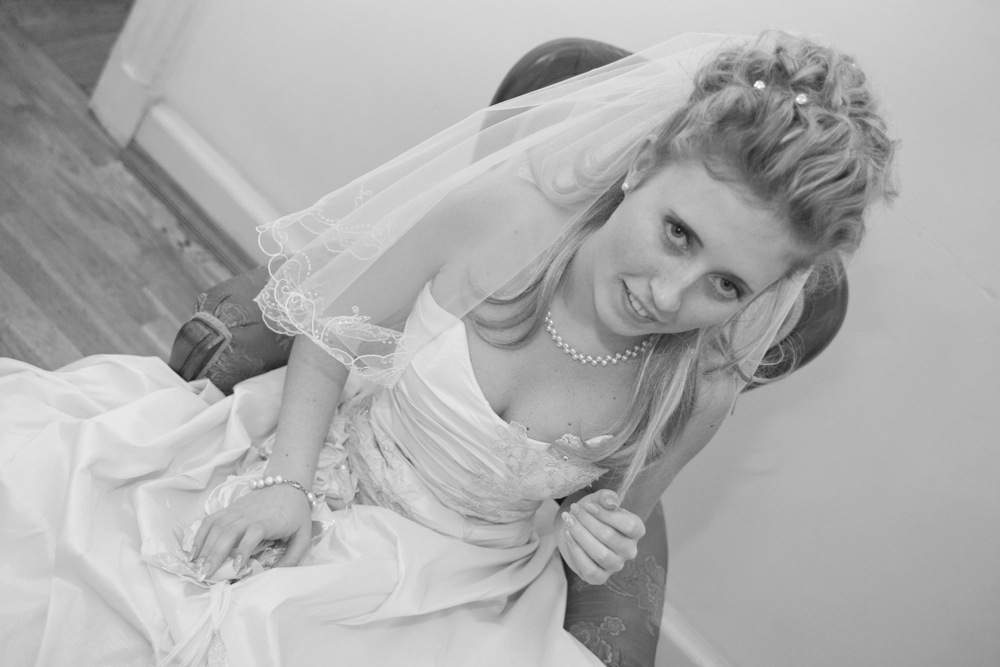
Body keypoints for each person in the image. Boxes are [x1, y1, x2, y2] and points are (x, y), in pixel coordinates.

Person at [0, 31, 896, 666]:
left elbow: (614, 511)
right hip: (319, 462)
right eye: (677, 233)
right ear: (640, 165)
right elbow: (329, 331)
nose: (670, 295)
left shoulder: (701, 386)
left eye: (727, 285)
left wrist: (595, 536)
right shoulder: (496, 219)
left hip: (462, 589)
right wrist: (287, 482)